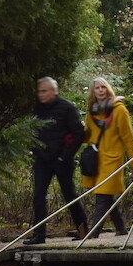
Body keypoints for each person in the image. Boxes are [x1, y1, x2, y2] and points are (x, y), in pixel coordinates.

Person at [28, 76, 86, 244]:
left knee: (69, 194)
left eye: (44, 91)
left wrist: (64, 155)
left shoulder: (67, 108)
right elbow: (32, 130)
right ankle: (39, 235)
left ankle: (82, 230)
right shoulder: (37, 109)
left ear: (54, 91)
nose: (41, 94)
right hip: (42, 159)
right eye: (39, 91)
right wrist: (35, 150)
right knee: (38, 196)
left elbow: (78, 133)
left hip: (62, 159)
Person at [80, 76, 133, 237]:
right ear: (93, 92)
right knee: (105, 195)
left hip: (112, 159)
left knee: (102, 195)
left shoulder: (119, 110)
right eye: (97, 88)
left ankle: (93, 233)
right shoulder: (92, 111)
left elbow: (128, 138)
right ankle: (120, 228)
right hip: (96, 159)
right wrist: (73, 134)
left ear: (108, 89)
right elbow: (89, 134)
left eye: (103, 87)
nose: (100, 90)